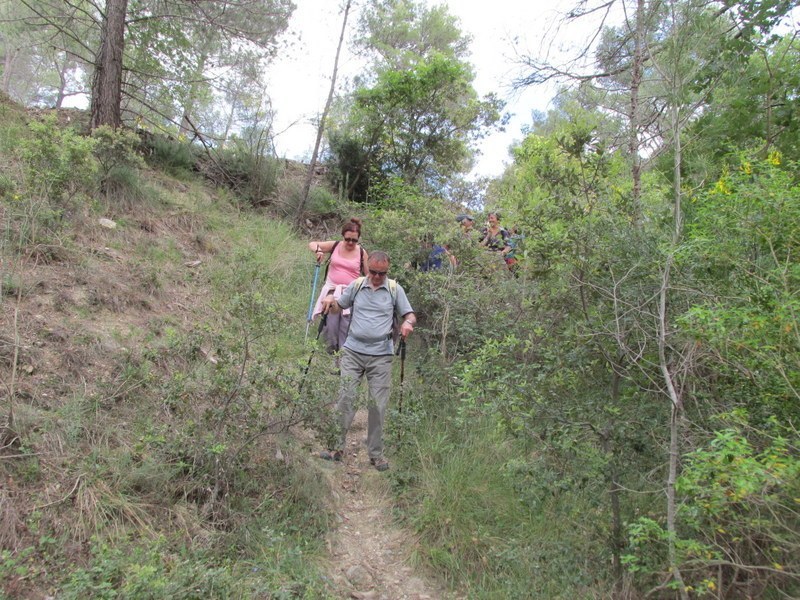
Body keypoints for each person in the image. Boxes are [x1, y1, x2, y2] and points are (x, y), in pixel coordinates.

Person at [318, 251, 416, 472]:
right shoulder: (357, 285)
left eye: (381, 273)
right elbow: (339, 307)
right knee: (346, 396)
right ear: (367, 268)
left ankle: (376, 454)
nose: (376, 277)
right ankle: (335, 448)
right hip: (353, 351)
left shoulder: (394, 289)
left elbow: (409, 314)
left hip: (381, 354)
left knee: (377, 405)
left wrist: (408, 323)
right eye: (373, 271)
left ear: (387, 271)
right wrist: (330, 301)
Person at [308, 218, 368, 354]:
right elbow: (312, 243)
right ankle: (330, 352)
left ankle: (343, 355)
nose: (350, 243)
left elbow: (369, 275)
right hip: (331, 290)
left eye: (354, 240)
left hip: (350, 293)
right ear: (343, 236)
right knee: (331, 324)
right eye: (348, 239)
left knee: (346, 325)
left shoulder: (361, 252)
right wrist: (318, 251)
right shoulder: (335, 245)